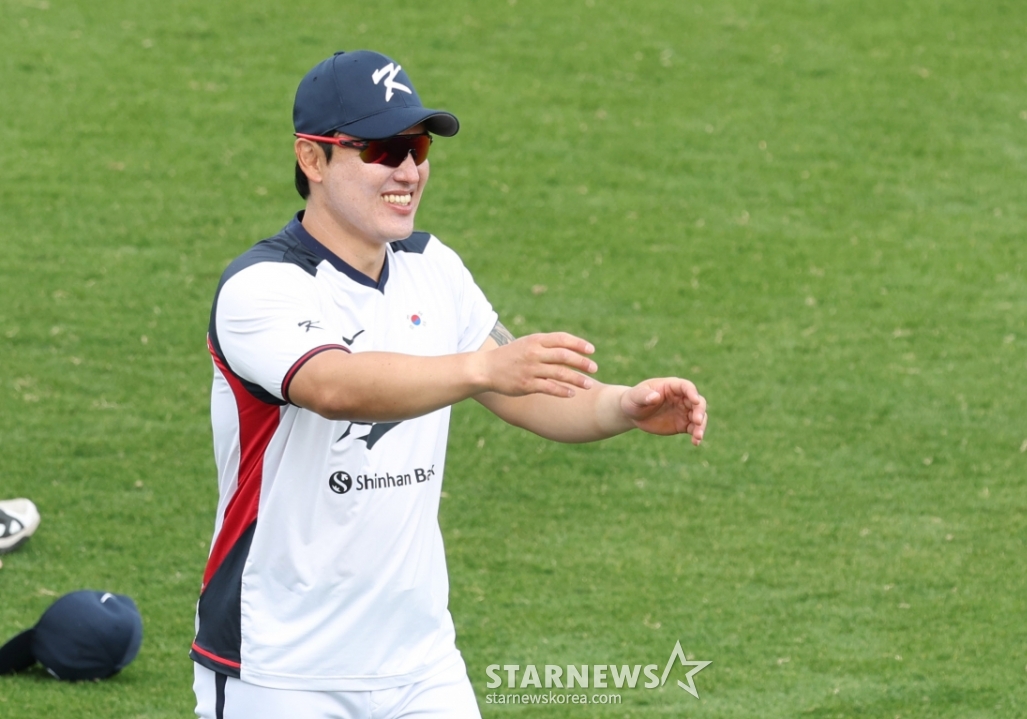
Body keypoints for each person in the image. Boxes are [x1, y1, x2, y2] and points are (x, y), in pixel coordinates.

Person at [191, 50, 707, 719]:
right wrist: (480, 368)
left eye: (418, 147)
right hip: (280, 669)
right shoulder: (262, 286)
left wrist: (623, 406)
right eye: (381, 150)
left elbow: (522, 387)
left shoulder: (431, 267)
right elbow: (333, 385)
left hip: (421, 663)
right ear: (312, 159)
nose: (408, 171)